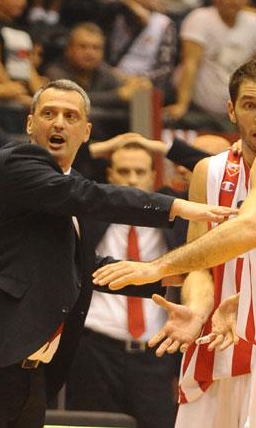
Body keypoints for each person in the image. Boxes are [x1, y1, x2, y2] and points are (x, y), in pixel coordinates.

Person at [0, 79, 235, 428]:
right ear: (29, 123)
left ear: (86, 131)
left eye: (70, 116)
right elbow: (91, 196)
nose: (59, 123)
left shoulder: (66, 185)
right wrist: (175, 206)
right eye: (49, 114)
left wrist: (161, 275)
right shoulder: (17, 163)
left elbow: (78, 265)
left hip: (28, 366)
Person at [94, 53, 256, 427]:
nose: (254, 116)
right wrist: (208, 307)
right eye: (244, 105)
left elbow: (248, 230)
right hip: (242, 344)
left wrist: (157, 268)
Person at [157, 60, 256, 428]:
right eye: (249, 105)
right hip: (215, 344)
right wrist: (197, 310)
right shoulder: (211, 171)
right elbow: (199, 268)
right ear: (231, 110)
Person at [65, 142, 180, 428]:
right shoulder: (89, 212)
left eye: (140, 172)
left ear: (154, 176)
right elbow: (61, 169)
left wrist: (160, 146)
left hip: (155, 354)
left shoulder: (176, 218)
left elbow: (204, 165)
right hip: (95, 349)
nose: (131, 179)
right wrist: (107, 146)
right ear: (109, 175)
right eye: (123, 171)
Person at [165, 0, 256, 131]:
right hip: (201, 111)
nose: (233, 1)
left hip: (241, 113)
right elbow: (190, 64)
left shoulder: (255, 22)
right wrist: (181, 105)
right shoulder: (199, 18)